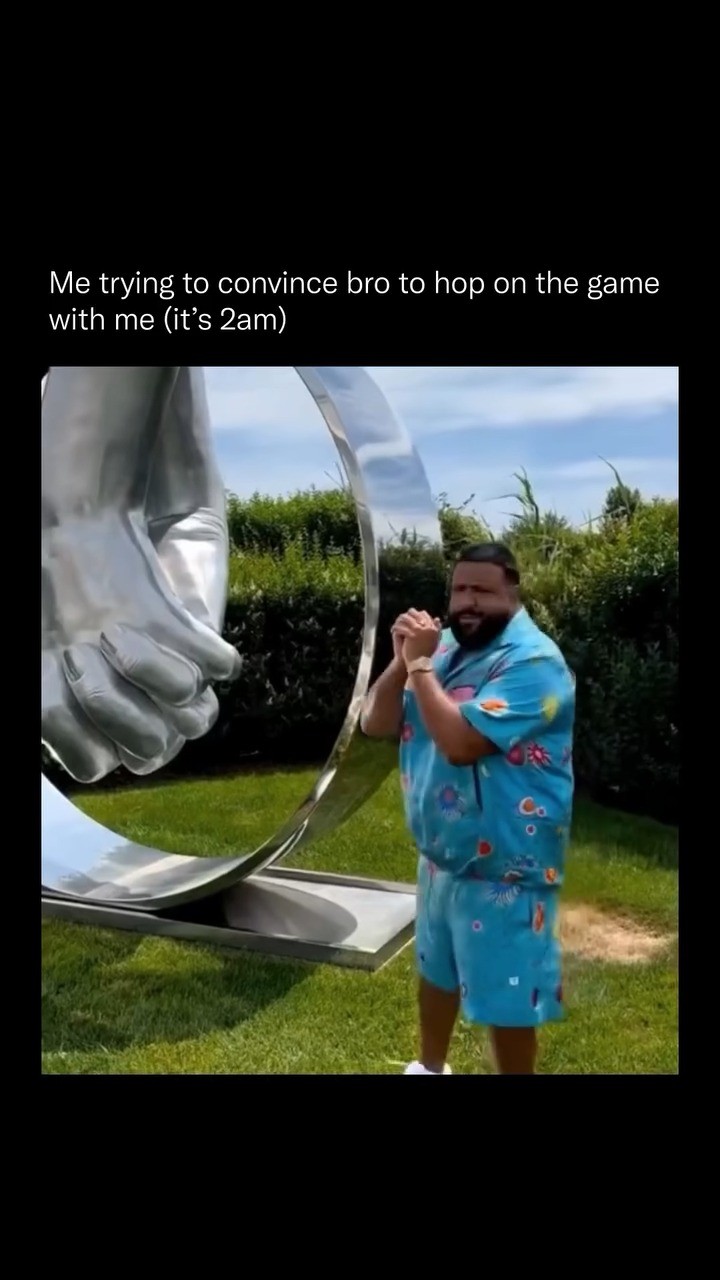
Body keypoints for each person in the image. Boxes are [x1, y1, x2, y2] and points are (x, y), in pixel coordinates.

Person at [361, 542, 575, 1075]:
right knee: (436, 971)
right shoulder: (445, 648)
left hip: (507, 865)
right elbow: (375, 722)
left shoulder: (535, 662)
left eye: (482, 590)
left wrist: (420, 665)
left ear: (513, 591)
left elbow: (461, 743)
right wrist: (402, 661)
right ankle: (430, 1068)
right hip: (443, 854)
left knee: (508, 997)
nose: (467, 602)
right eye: (459, 589)